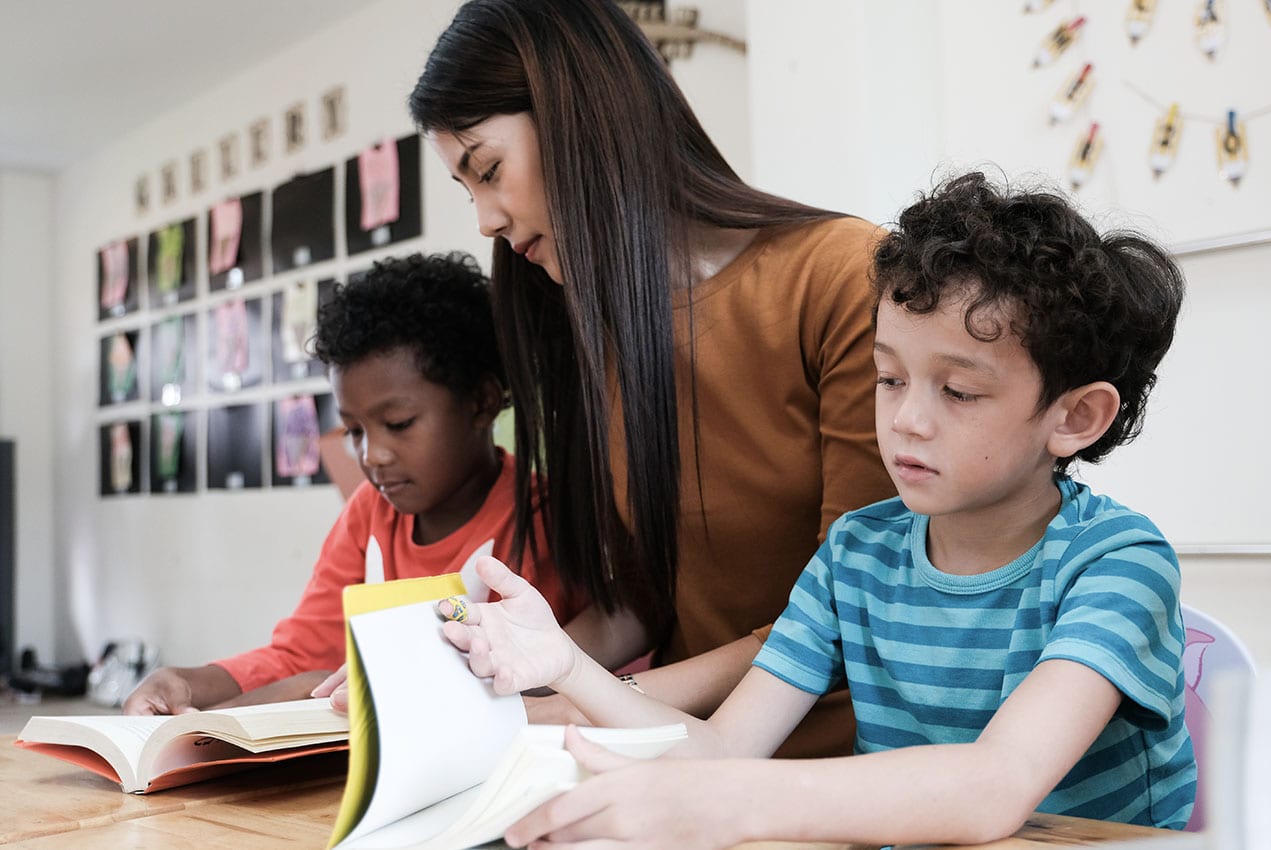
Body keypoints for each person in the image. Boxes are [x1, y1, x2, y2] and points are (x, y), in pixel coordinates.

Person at [438, 173, 1197, 847]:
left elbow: (994, 785)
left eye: (957, 392)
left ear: (1075, 418)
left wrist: (728, 804)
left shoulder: (1118, 565)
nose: (907, 420)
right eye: (889, 378)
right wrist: (568, 667)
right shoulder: (856, 553)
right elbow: (722, 752)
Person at [408, 0, 894, 757]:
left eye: (489, 170)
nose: (486, 222)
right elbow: (642, 595)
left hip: (841, 770)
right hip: (665, 758)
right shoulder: (598, 323)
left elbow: (846, 614)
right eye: (468, 190)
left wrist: (587, 698)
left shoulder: (840, 277)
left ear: (582, 113)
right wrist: (490, 674)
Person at [123, 252, 579, 716]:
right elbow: (301, 653)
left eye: (398, 423)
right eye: (355, 430)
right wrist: (185, 682)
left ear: (481, 403)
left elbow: (566, 673)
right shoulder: (369, 512)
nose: (371, 456)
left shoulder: (540, 516)